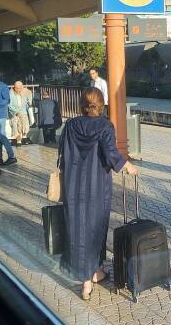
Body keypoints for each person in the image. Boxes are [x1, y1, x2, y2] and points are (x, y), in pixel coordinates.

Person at [59, 88, 138, 300]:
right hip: (96, 185)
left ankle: (95, 272)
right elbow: (111, 153)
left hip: (73, 185)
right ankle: (88, 281)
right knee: (95, 228)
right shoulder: (105, 125)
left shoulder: (71, 126)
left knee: (78, 229)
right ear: (101, 104)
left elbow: (63, 154)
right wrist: (127, 165)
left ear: (82, 104)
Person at [9, 81, 32, 146]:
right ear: (14, 87)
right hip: (14, 113)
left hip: (23, 112)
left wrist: (29, 101)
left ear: (22, 87)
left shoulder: (26, 92)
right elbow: (9, 105)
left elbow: (29, 103)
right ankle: (18, 140)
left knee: (25, 125)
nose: (18, 89)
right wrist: (16, 111)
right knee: (15, 126)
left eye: (19, 88)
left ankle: (24, 138)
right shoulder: (10, 94)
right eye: (16, 88)